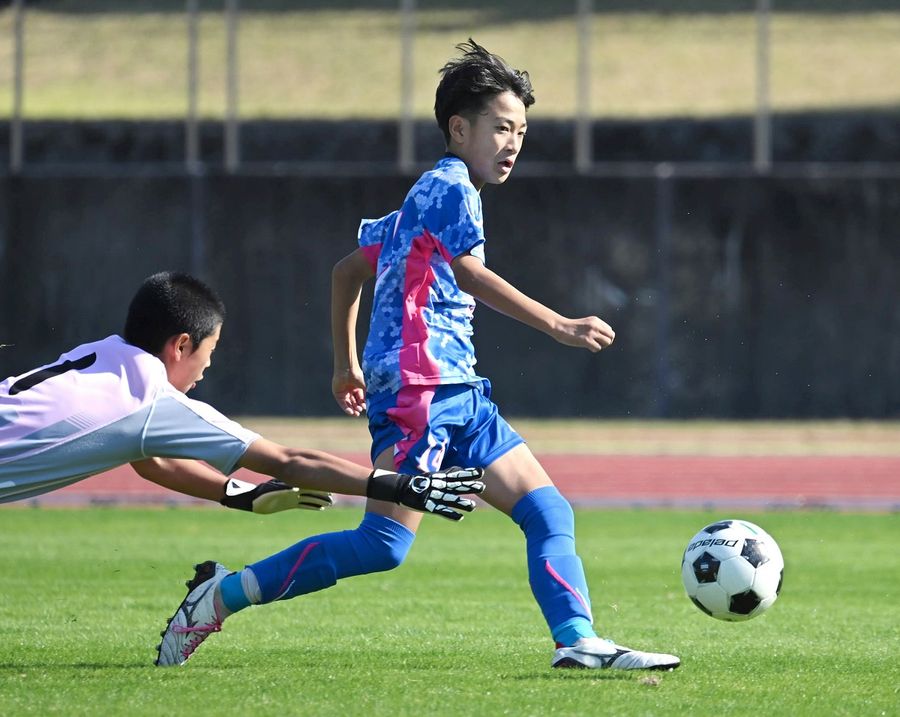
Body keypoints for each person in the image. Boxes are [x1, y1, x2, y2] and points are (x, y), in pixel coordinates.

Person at [156, 39, 678, 672]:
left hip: (460, 393)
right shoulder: (449, 188)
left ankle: (577, 641)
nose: (513, 142)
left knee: (547, 509)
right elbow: (467, 273)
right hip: (420, 392)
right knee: (382, 545)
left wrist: (345, 363)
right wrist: (557, 324)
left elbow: (347, 271)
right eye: (501, 128)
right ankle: (220, 595)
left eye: (522, 131)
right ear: (459, 129)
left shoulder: (421, 202)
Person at [0, 271, 484, 524]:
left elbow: (148, 460)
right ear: (181, 345)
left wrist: (240, 495)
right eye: (209, 351)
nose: (208, 368)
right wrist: (400, 486)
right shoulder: (150, 398)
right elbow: (289, 460)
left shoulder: (102, 354)